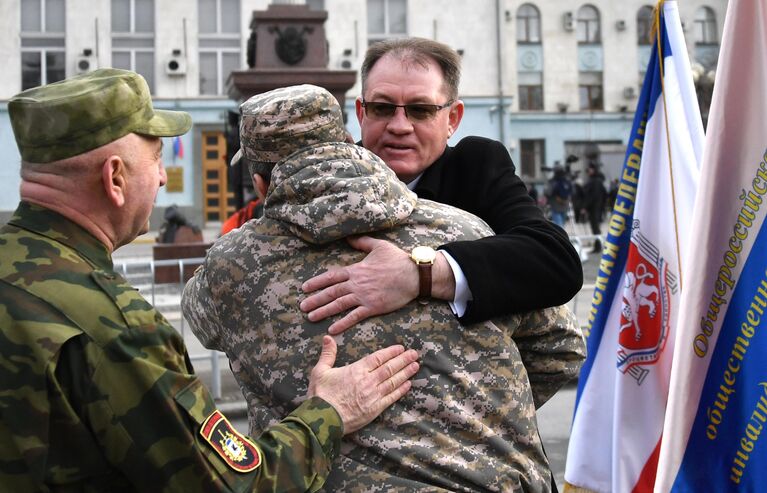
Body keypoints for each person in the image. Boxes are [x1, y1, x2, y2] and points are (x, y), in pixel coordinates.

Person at [0, 69, 420, 492]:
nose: (163, 178)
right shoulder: (112, 327)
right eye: (157, 159)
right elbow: (232, 485)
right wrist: (328, 411)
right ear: (115, 178)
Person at [182, 84, 585, 492]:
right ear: (344, 142)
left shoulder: (230, 267)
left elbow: (199, 320)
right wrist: (474, 409)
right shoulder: (465, 231)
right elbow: (560, 348)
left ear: (261, 184)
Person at [299, 37, 583, 335]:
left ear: (452, 119)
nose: (399, 126)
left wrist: (421, 275)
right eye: (382, 108)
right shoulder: (329, 178)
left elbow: (556, 260)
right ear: (361, 113)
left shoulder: (475, 168)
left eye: (420, 110)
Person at [581, 162, 608, 253]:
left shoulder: (595, 181)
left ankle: (598, 247)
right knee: (595, 228)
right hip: (597, 208)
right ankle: (597, 246)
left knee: (595, 228)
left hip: (595, 208)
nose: (588, 172)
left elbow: (592, 196)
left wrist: (585, 207)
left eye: (589, 170)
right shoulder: (598, 181)